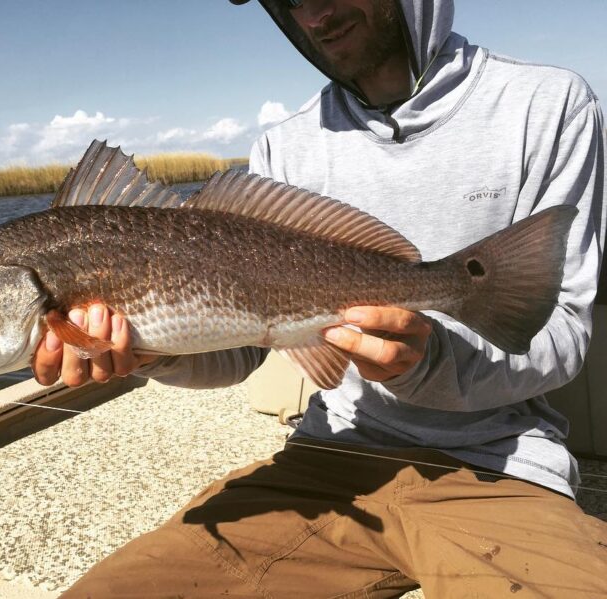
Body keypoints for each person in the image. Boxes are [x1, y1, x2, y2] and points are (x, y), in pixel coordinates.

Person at [43, 1, 607, 596]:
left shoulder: (548, 104)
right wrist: (155, 351)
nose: (312, 16)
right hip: (324, 459)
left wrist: (428, 361)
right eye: (283, 1)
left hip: (498, 466)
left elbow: (559, 336)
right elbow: (239, 351)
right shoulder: (283, 149)